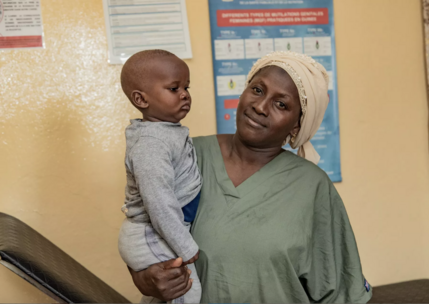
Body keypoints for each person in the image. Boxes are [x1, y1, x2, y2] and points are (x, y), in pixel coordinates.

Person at [129, 51, 372, 303]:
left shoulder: (312, 187)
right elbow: (139, 230)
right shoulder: (184, 153)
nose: (260, 106)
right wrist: (146, 280)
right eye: (257, 90)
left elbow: (342, 292)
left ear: (296, 126)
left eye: (281, 104)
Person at [118, 50, 202, 304]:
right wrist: (187, 247)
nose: (185, 94)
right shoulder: (150, 144)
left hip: (157, 232)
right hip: (149, 233)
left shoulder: (165, 132)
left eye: (186, 87)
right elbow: (158, 201)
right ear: (141, 99)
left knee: (167, 296)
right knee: (187, 291)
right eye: (174, 88)